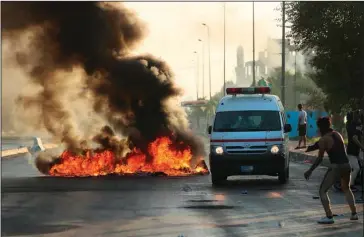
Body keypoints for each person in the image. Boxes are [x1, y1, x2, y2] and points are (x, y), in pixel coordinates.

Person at [304, 117, 358, 224]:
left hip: (336, 167)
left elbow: (319, 158)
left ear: (321, 128)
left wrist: (310, 171)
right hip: (347, 165)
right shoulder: (338, 134)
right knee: (346, 188)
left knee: (322, 191)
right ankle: (354, 214)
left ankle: (329, 217)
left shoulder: (324, 139)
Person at [346, 110, 364, 192]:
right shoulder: (351, 126)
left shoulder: (358, 126)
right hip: (352, 151)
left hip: (357, 151)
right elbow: (354, 138)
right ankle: (350, 185)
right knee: (356, 168)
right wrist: (362, 147)